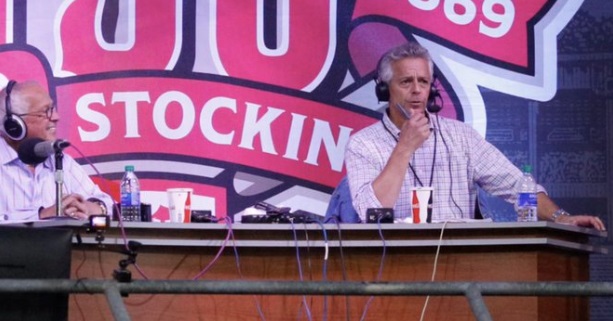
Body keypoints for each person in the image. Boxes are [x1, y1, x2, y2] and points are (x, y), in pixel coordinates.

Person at [344, 42, 605, 231]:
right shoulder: (363, 143)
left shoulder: (461, 137)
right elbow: (370, 212)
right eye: (405, 82)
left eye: (423, 82)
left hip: (461, 261)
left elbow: (518, 186)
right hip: (396, 264)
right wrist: (404, 148)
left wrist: (560, 216)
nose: (416, 91)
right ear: (384, 89)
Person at [0, 80, 113, 221]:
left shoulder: (61, 160)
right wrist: (41, 215)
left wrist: (88, 208)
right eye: (45, 112)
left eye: (52, 109)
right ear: (14, 125)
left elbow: (108, 204)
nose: (56, 117)